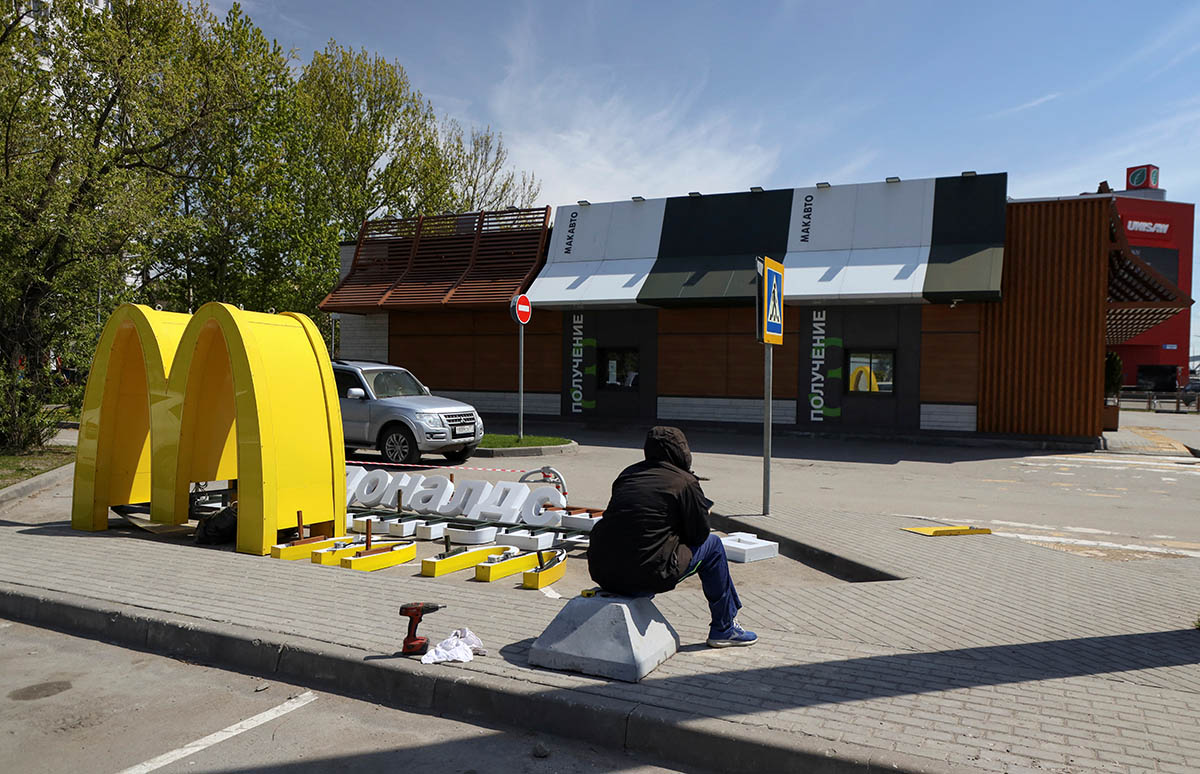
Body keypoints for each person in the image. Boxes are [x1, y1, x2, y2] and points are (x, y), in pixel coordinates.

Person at [587, 426, 756, 648]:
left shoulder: (627, 474)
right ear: (682, 451)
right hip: (649, 576)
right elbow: (698, 535)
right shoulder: (684, 481)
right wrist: (703, 515)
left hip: (603, 573)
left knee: (640, 540)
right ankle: (724, 628)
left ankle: (634, 588)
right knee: (713, 545)